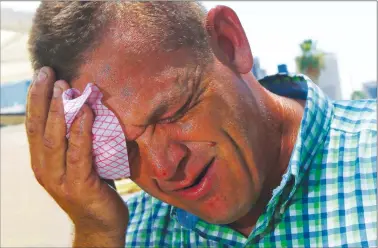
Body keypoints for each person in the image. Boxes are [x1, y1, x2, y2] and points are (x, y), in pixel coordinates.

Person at [26, 2, 376, 247]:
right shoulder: (126, 235)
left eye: (173, 112)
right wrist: (96, 232)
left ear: (228, 42)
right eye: (123, 149)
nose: (164, 168)